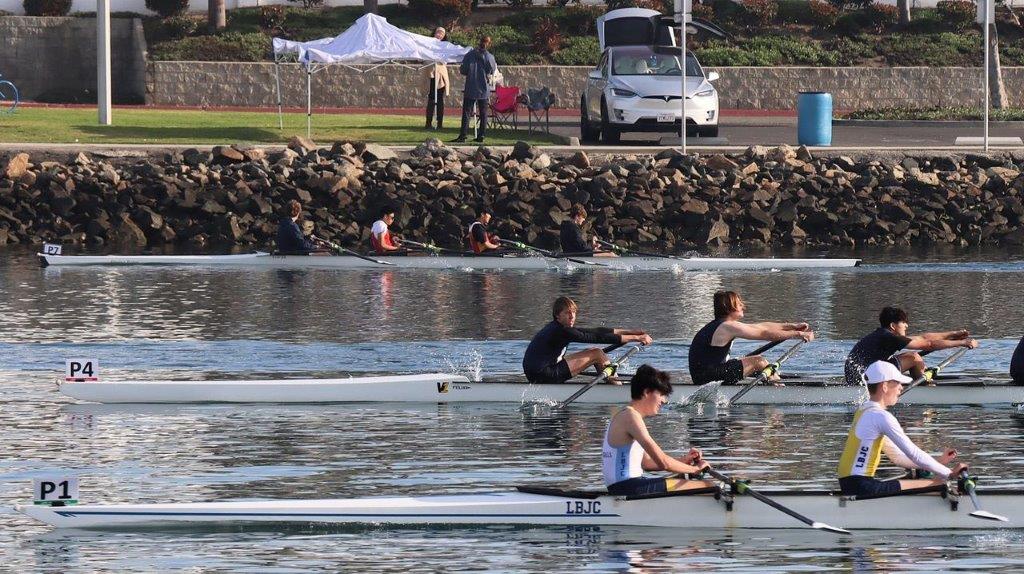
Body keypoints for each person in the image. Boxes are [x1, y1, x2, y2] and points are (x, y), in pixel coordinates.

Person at [837, 360, 968, 497]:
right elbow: (914, 454)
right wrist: (949, 473)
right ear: (885, 386)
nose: (901, 387)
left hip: (851, 484)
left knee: (934, 482)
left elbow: (898, 457)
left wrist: (939, 462)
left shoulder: (864, 411)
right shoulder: (881, 417)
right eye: (897, 383)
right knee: (941, 484)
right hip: (862, 487)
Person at [604, 364, 716, 496]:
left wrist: (684, 460)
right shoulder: (631, 417)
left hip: (626, 486)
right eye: (661, 394)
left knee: (684, 478)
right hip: (627, 488)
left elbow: (647, 463)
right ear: (646, 392)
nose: (664, 401)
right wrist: (695, 469)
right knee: (708, 486)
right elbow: (663, 463)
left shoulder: (627, 415)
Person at [688, 291, 814, 386]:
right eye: (739, 304)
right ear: (728, 307)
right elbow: (765, 334)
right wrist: (798, 334)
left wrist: (792, 326)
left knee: (761, 368)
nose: (743, 306)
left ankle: (775, 381)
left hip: (707, 373)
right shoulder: (727, 326)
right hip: (706, 377)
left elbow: (762, 326)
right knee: (758, 361)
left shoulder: (723, 325)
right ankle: (781, 390)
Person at [523, 296, 652, 385]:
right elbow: (596, 338)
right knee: (596, 353)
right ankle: (618, 388)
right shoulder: (561, 330)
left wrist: (630, 332)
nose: (572, 316)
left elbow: (595, 331)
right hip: (543, 375)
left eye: (574, 312)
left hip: (538, 373)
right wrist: (636, 338)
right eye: (568, 313)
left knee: (593, 352)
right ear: (557, 315)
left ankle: (613, 382)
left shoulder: (559, 328)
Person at [844, 307, 978, 386]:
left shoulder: (884, 335)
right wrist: (962, 343)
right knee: (914, 357)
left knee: (913, 358)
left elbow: (924, 338)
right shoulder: (889, 337)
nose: (906, 326)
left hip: (859, 375)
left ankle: (921, 377)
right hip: (861, 378)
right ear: (893, 326)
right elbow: (929, 344)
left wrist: (953, 335)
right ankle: (926, 387)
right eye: (903, 322)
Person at [453, 36, 496, 144]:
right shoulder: (489, 56)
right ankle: (481, 135)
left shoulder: (469, 55)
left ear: (479, 42)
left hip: (471, 86)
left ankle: (463, 136)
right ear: (489, 44)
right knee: (483, 113)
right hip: (483, 88)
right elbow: (492, 70)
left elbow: (463, 70)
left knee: (467, 113)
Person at [424, 27, 450, 131]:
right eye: (437, 33)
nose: (439, 35)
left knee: (439, 99)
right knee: (431, 99)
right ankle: (428, 122)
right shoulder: (428, 44)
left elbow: (445, 60)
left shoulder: (446, 46)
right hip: (431, 74)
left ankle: (440, 123)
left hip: (441, 76)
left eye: (441, 34)